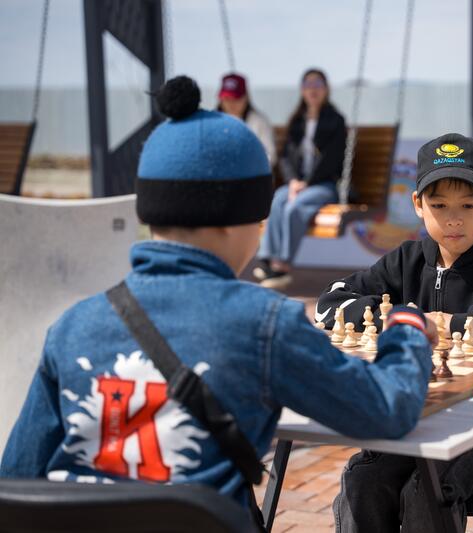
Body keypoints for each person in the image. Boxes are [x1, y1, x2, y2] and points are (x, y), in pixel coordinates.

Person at [0, 76, 437, 526]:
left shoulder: (71, 326)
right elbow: (388, 409)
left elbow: (16, 477)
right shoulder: (264, 323)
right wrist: (407, 329)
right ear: (237, 221)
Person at [317, 133, 473, 532]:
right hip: (419, 418)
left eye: (469, 205)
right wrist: (402, 320)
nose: (454, 219)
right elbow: (328, 303)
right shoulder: (406, 260)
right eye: (439, 205)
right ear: (418, 205)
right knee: (363, 480)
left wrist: (450, 323)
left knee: (428, 489)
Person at [254, 68, 347, 289]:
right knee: (278, 199)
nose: (313, 90)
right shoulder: (297, 121)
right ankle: (268, 258)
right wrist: (293, 181)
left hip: (324, 184)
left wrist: (307, 183)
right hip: (298, 184)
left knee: (294, 208)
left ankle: (282, 265)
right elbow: (286, 157)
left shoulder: (335, 121)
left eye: (318, 85)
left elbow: (332, 159)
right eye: (308, 85)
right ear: (302, 90)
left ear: (326, 89)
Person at [217, 72, 277, 166]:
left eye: (236, 98)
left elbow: (270, 156)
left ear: (246, 97)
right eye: (227, 99)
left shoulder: (259, 122)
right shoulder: (211, 123)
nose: (231, 103)